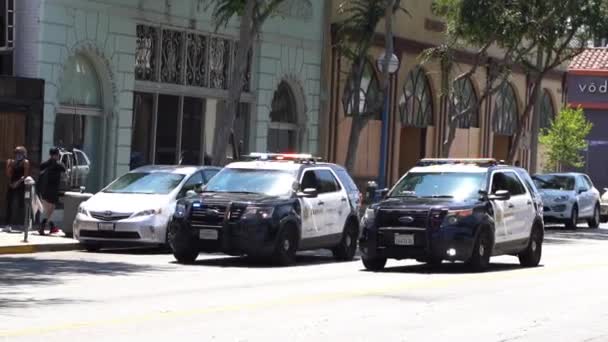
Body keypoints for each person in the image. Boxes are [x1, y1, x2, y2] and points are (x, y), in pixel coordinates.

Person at [38, 147, 66, 235]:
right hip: (53, 190)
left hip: (43, 189)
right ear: (57, 155)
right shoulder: (58, 164)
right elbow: (64, 169)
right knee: (51, 209)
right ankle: (42, 226)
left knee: (48, 210)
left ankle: (52, 226)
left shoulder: (45, 163)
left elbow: (40, 168)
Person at [4, 146, 31, 232]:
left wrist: (18, 182)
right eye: (16, 153)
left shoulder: (25, 162)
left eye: (20, 153)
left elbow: (25, 175)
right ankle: (8, 224)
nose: (18, 155)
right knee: (9, 203)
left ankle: (23, 223)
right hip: (12, 184)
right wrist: (9, 166)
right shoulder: (11, 161)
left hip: (21, 184)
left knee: (22, 204)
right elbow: (8, 175)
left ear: (24, 154)